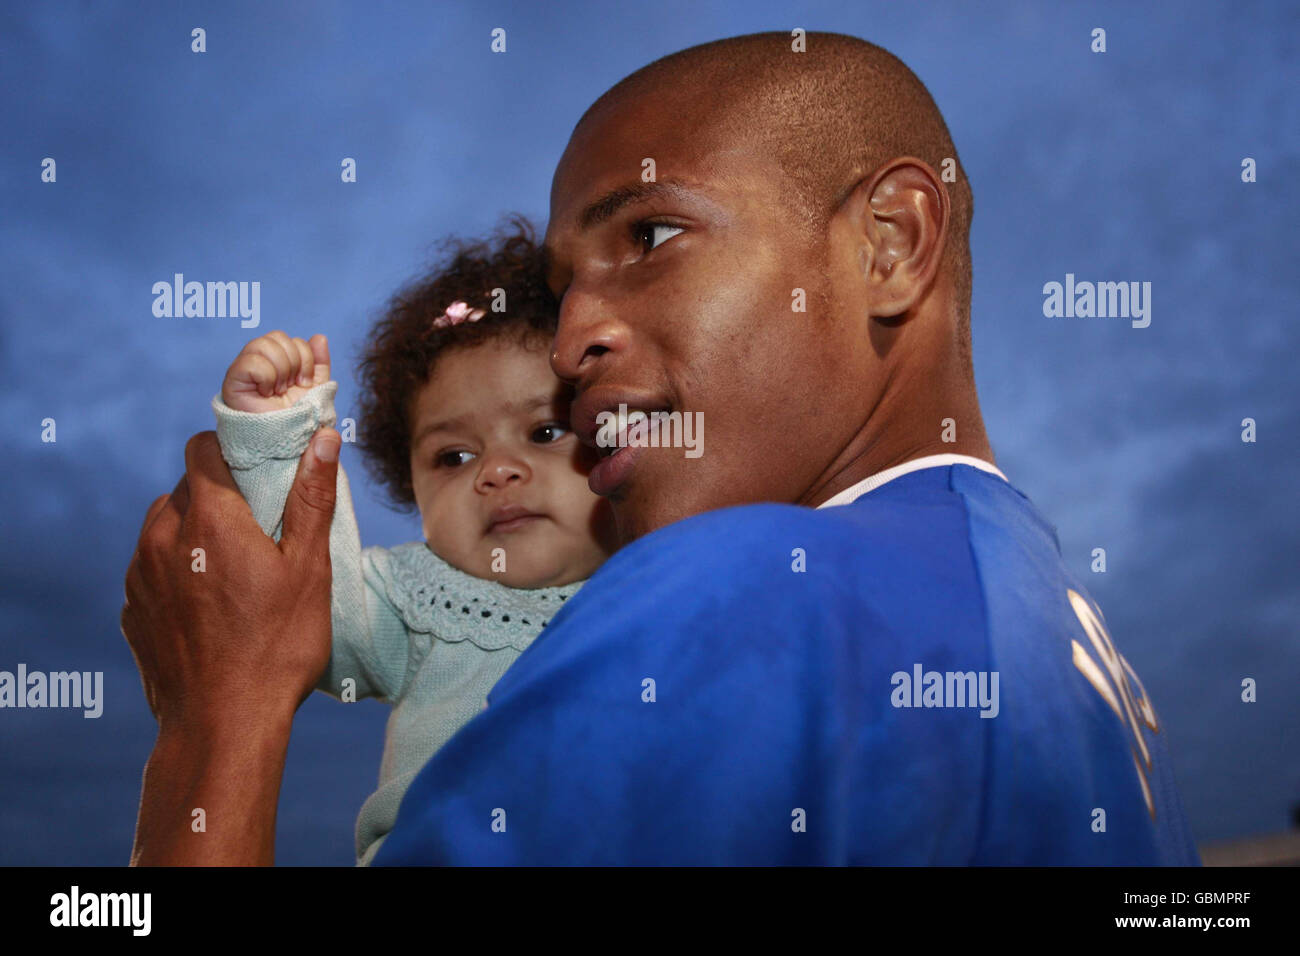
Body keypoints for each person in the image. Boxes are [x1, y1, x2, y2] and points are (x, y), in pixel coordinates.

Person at [122, 31, 1200, 865]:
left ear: (893, 244)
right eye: (560, 290)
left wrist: (218, 718)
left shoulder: (744, 599)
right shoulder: (1044, 610)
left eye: (649, 235)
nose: (572, 332)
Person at [211, 222, 617, 865]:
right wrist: (282, 440)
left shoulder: (666, 580)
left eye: (543, 433)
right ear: (412, 491)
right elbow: (305, 602)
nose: (497, 471)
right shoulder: (413, 595)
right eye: (454, 455)